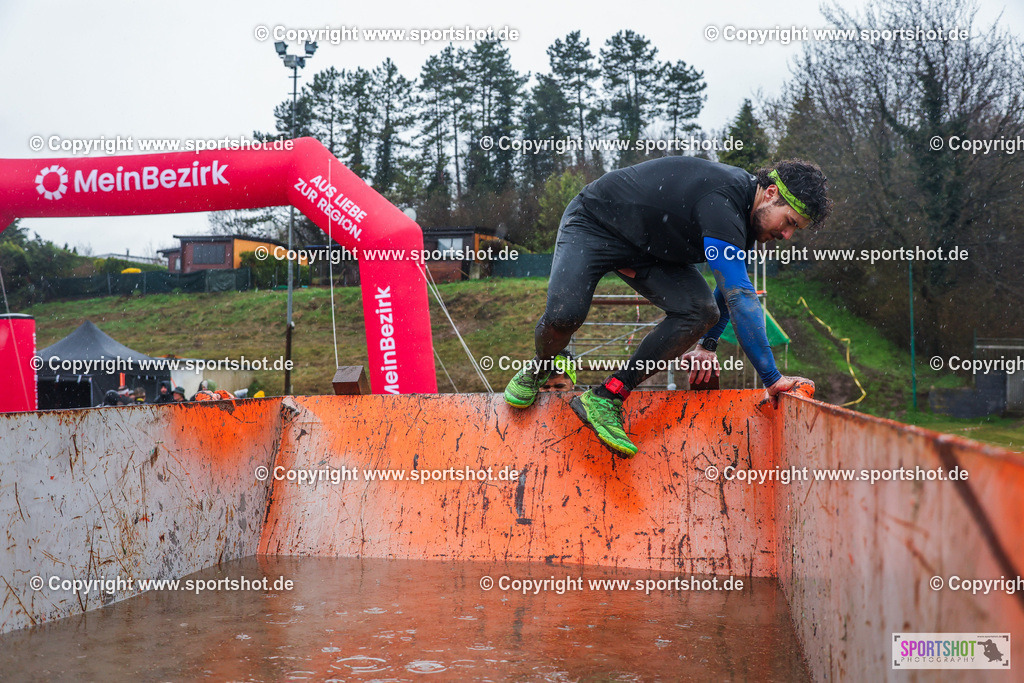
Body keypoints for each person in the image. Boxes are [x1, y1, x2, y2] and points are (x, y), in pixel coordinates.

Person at [503, 157, 831, 457]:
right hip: (595, 224)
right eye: (789, 221)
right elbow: (740, 296)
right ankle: (540, 366)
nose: (787, 235)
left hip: (647, 250)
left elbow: (724, 291)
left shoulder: (745, 223)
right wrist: (772, 378)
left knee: (700, 313)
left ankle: (608, 396)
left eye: (795, 230)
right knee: (565, 315)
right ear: (771, 192)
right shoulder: (724, 200)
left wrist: (708, 344)